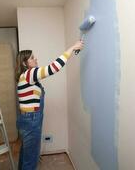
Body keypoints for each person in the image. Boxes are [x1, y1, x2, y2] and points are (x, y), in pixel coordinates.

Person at [15, 40, 84, 170]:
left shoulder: (27, 77)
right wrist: (72, 48)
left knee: (26, 154)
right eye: (32, 58)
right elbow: (54, 67)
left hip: (27, 119)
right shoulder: (29, 74)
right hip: (31, 121)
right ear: (25, 63)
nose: (36, 59)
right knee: (31, 159)